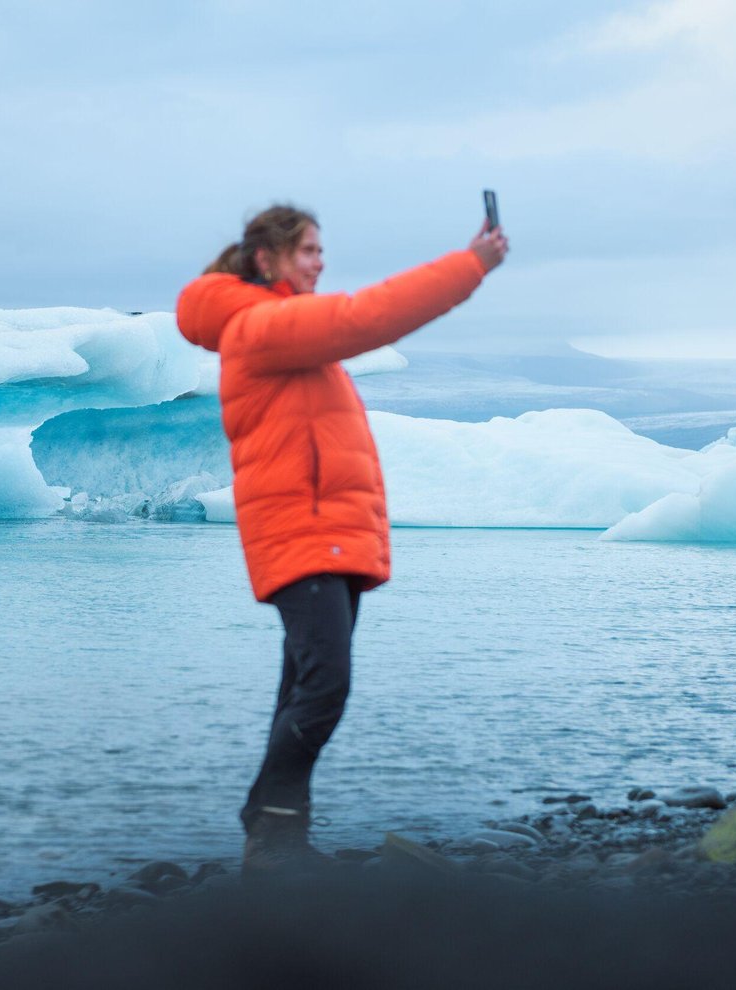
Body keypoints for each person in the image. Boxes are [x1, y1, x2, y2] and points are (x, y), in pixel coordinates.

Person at [175, 204, 508, 872]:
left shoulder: (279, 331)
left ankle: (276, 840)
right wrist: (469, 266)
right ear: (266, 259)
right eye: (307, 250)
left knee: (301, 685)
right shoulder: (263, 327)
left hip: (325, 534)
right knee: (325, 684)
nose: (320, 262)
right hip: (304, 534)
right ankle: (269, 822)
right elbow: (367, 316)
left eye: (322, 250)